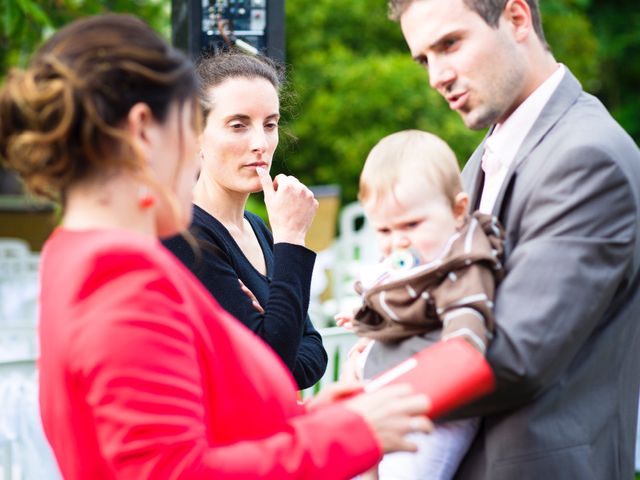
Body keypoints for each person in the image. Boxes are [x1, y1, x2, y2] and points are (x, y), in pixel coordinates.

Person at [0, 14, 434, 479]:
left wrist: (315, 420)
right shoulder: (121, 281)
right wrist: (346, 435)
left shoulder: (85, 258)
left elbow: (205, 421)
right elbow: (176, 470)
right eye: (190, 129)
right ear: (145, 129)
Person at [387, 0, 640, 478]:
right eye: (425, 59)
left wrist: (374, 374)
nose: (437, 76)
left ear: (517, 18)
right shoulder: (487, 154)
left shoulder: (588, 157)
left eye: (450, 44)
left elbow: (512, 355)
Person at [338, 130, 504, 480]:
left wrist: (460, 350)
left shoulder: (460, 265)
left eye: (412, 225)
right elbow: (395, 300)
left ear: (458, 210)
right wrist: (364, 318)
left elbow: (465, 324)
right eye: (383, 231)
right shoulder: (415, 258)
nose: (399, 241)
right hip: (392, 398)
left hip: (437, 411)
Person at [163, 52, 326, 390]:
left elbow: (314, 352)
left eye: (270, 124)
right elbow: (273, 365)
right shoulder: (184, 235)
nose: (260, 144)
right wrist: (292, 238)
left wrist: (275, 339)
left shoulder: (259, 228)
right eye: (238, 125)